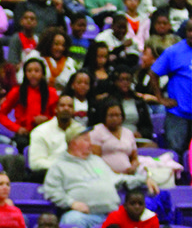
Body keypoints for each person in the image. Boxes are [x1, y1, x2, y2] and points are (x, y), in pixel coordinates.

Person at [43, 124, 159, 228]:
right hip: (86, 215)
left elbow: (116, 178)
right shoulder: (59, 166)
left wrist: (144, 179)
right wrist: (71, 203)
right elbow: (51, 191)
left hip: (112, 214)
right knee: (71, 220)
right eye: (86, 140)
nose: (90, 143)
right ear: (74, 143)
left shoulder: (96, 161)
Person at [149, 19, 192, 156]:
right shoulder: (174, 51)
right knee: (175, 153)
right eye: (190, 30)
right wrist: (160, 98)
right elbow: (153, 73)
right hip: (178, 114)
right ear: (186, 32)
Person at [0, 58, 59, 151]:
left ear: (43, 74)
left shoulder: (52, 92)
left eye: (36, 71)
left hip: (47, 133)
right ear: (25, 74)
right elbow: (1, 114)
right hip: (24, 135)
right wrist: (17, 128)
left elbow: (57, 118)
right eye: (29, 71)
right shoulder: (17, 91)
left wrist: (47, 120)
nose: (33, 74)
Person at [29, 94, 82, 182]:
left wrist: (99, 172)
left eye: (70, 106)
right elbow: (35, 163)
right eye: (62, 105)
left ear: (73, 111)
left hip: (79, 175)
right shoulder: (40, 132)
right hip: (52, 175)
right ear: (55, 109)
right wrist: (64, 167)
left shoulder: (81, 131)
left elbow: (92, 162)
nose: (66, 108)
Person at [90, 98, 139, 174]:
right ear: (104, 116)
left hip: (128, 175)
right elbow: (95, 161)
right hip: (104, 174)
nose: (115, 119)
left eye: (117, 115)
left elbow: (134, 159)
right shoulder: (97, 131)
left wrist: (133, 167)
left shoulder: (128, 133)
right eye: (111, 116)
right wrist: (113, 173)